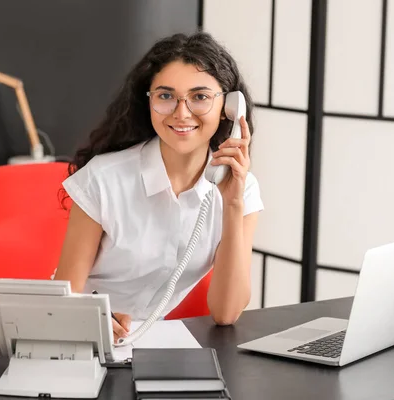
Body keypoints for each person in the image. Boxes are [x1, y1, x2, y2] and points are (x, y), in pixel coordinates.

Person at [54, 32, 264, 342]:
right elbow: (64, 299)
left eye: (200, 97)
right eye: (166, 96)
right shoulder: (105, 178)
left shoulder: (240, 187)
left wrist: (233, 205)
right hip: (81, 337)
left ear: (229, 108)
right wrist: (90, 320)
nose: (182, 113)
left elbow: (226, 313)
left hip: (152, 341)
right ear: (149, 101)